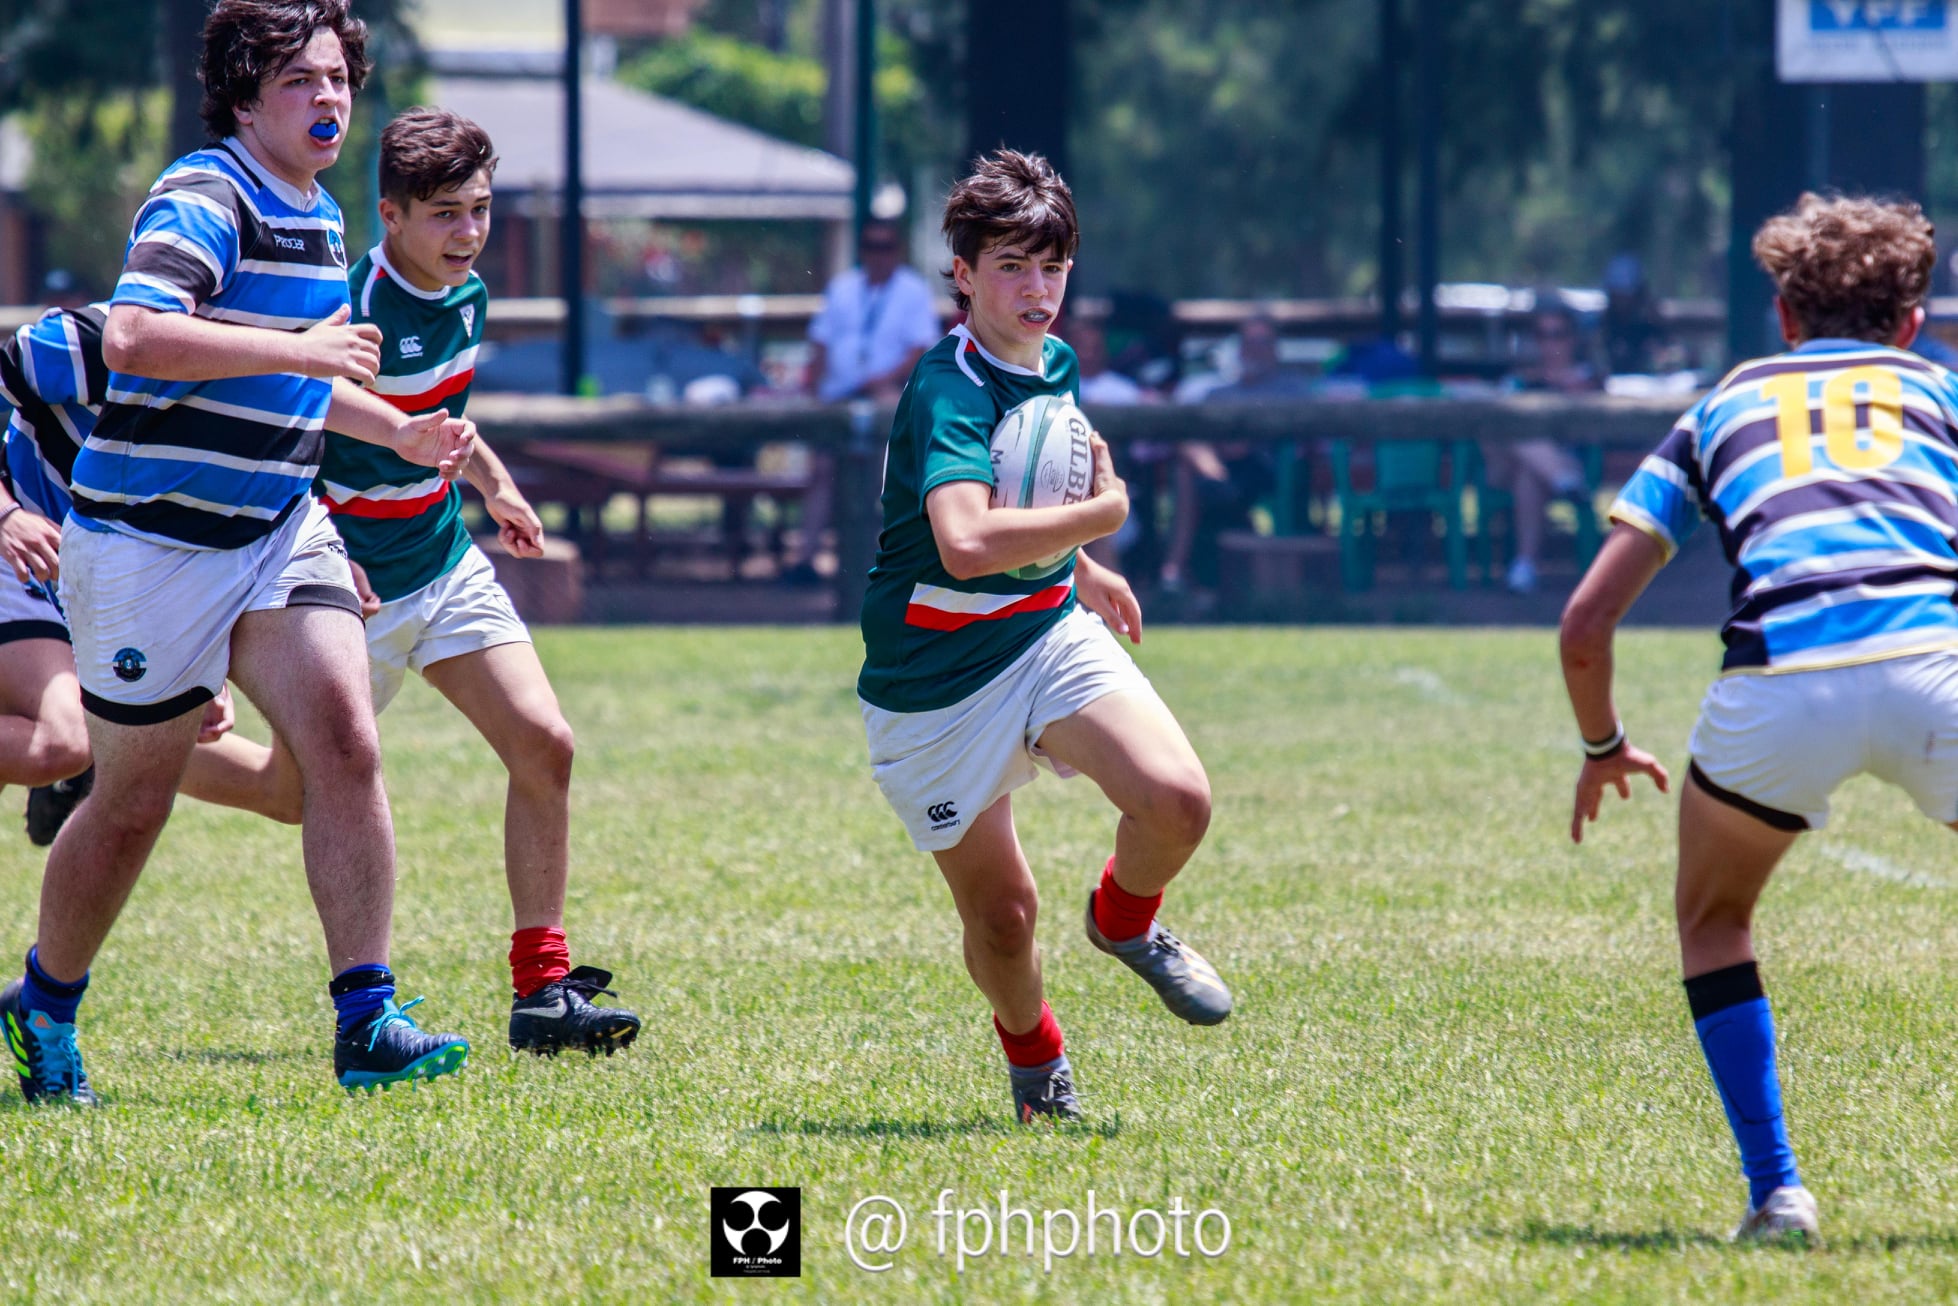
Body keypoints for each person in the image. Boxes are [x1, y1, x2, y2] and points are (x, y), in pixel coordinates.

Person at [1, 0, 475, 1105]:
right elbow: (133, 334)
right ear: (245, 97)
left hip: (272, 531)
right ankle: (45, 1001)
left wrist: (392, 427)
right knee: (128, 805)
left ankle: (368, 1017)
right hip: (145, 548)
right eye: (300, 81)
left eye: (338, 79)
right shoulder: (205, 193)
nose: (328, 99)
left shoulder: (315, 214)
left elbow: (292, 375)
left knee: (345, 742)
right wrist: (300, 346)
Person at [1560, 193, 1958, 1243]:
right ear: (1912, 321)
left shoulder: (1723, 404)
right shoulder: (1941, 393)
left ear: (1781, 315)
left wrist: (1601, 745)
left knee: (1712, 918)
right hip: (1934, 673)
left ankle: (1776, 1189)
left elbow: (1585, 621)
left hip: (1776, 685)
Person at [856, 150, 1232, 1125]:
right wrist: (1102, 516)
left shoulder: (1052, 361)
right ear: (965, 274)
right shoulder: (948, 389)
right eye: (1012, 267)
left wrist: (1082, 569)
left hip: (1039, 635)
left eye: (1052, 267)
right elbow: (969, 539)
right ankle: (1035, 1060)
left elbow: (1034, 496)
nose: (1036, 290)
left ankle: (1121, 922)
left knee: (1177, 800)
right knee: (1002, 917)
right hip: (933, 688)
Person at [309, 106, 640, 1056]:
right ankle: (113, 760)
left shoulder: (469, 296)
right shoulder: (350, 311)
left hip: (443, 562)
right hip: (348, 585)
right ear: (392, 215)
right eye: (446, 213)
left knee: (545, 742)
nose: (468, 233)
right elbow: (294, 449)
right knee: (297, 792)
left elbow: (446, 417)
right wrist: (330, 565)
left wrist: (498, 488)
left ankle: (541, 994)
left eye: (481, 210)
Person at [0, 306, 303, 846]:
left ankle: (91, 759)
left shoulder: (252, 396)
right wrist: (7, 515)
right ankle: (85, 754)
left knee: (286, 792)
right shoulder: (84, 342)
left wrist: (204, 663)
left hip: (97, 599)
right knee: (60, 740)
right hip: (16, 554)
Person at [788, 219, 943, 583]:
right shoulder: (843, 288)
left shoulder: (912, 290)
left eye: (886, 246)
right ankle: (803, 558)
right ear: (862, 250)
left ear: (897, 250)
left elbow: (920, 349)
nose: (879, 253)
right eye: (872, 246)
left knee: (883, 476)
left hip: (887, 395)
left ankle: (884, 561)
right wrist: (817, 393)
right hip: (838, 396)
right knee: (821, 472)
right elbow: (820, 343)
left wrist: (880, 381)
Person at [1161, 317, 1309, 595]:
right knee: (1189, 459)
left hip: (1266, 469)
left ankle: (1176, 568)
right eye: (1249, 343)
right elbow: (1194, 432)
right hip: (1219, 465)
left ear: (1275, 348)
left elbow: (1301, 439)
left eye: (1263, 342)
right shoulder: (1218, 393)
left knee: (1192, 479)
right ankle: (1182, 575)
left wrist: (1245, 442)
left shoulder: (1292, 388)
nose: (1255, 350)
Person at [1490, 304, 1594, 593]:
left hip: (1565, 461)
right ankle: (1564, 480)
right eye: (1542, 335)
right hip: (1500, 469)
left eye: (1557, 335)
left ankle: (1525, 565)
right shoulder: (1519, 381)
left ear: (1573, 338)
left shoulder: (1587, 380)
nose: (1550, 343)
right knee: (1511, 427)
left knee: (1529, 474)